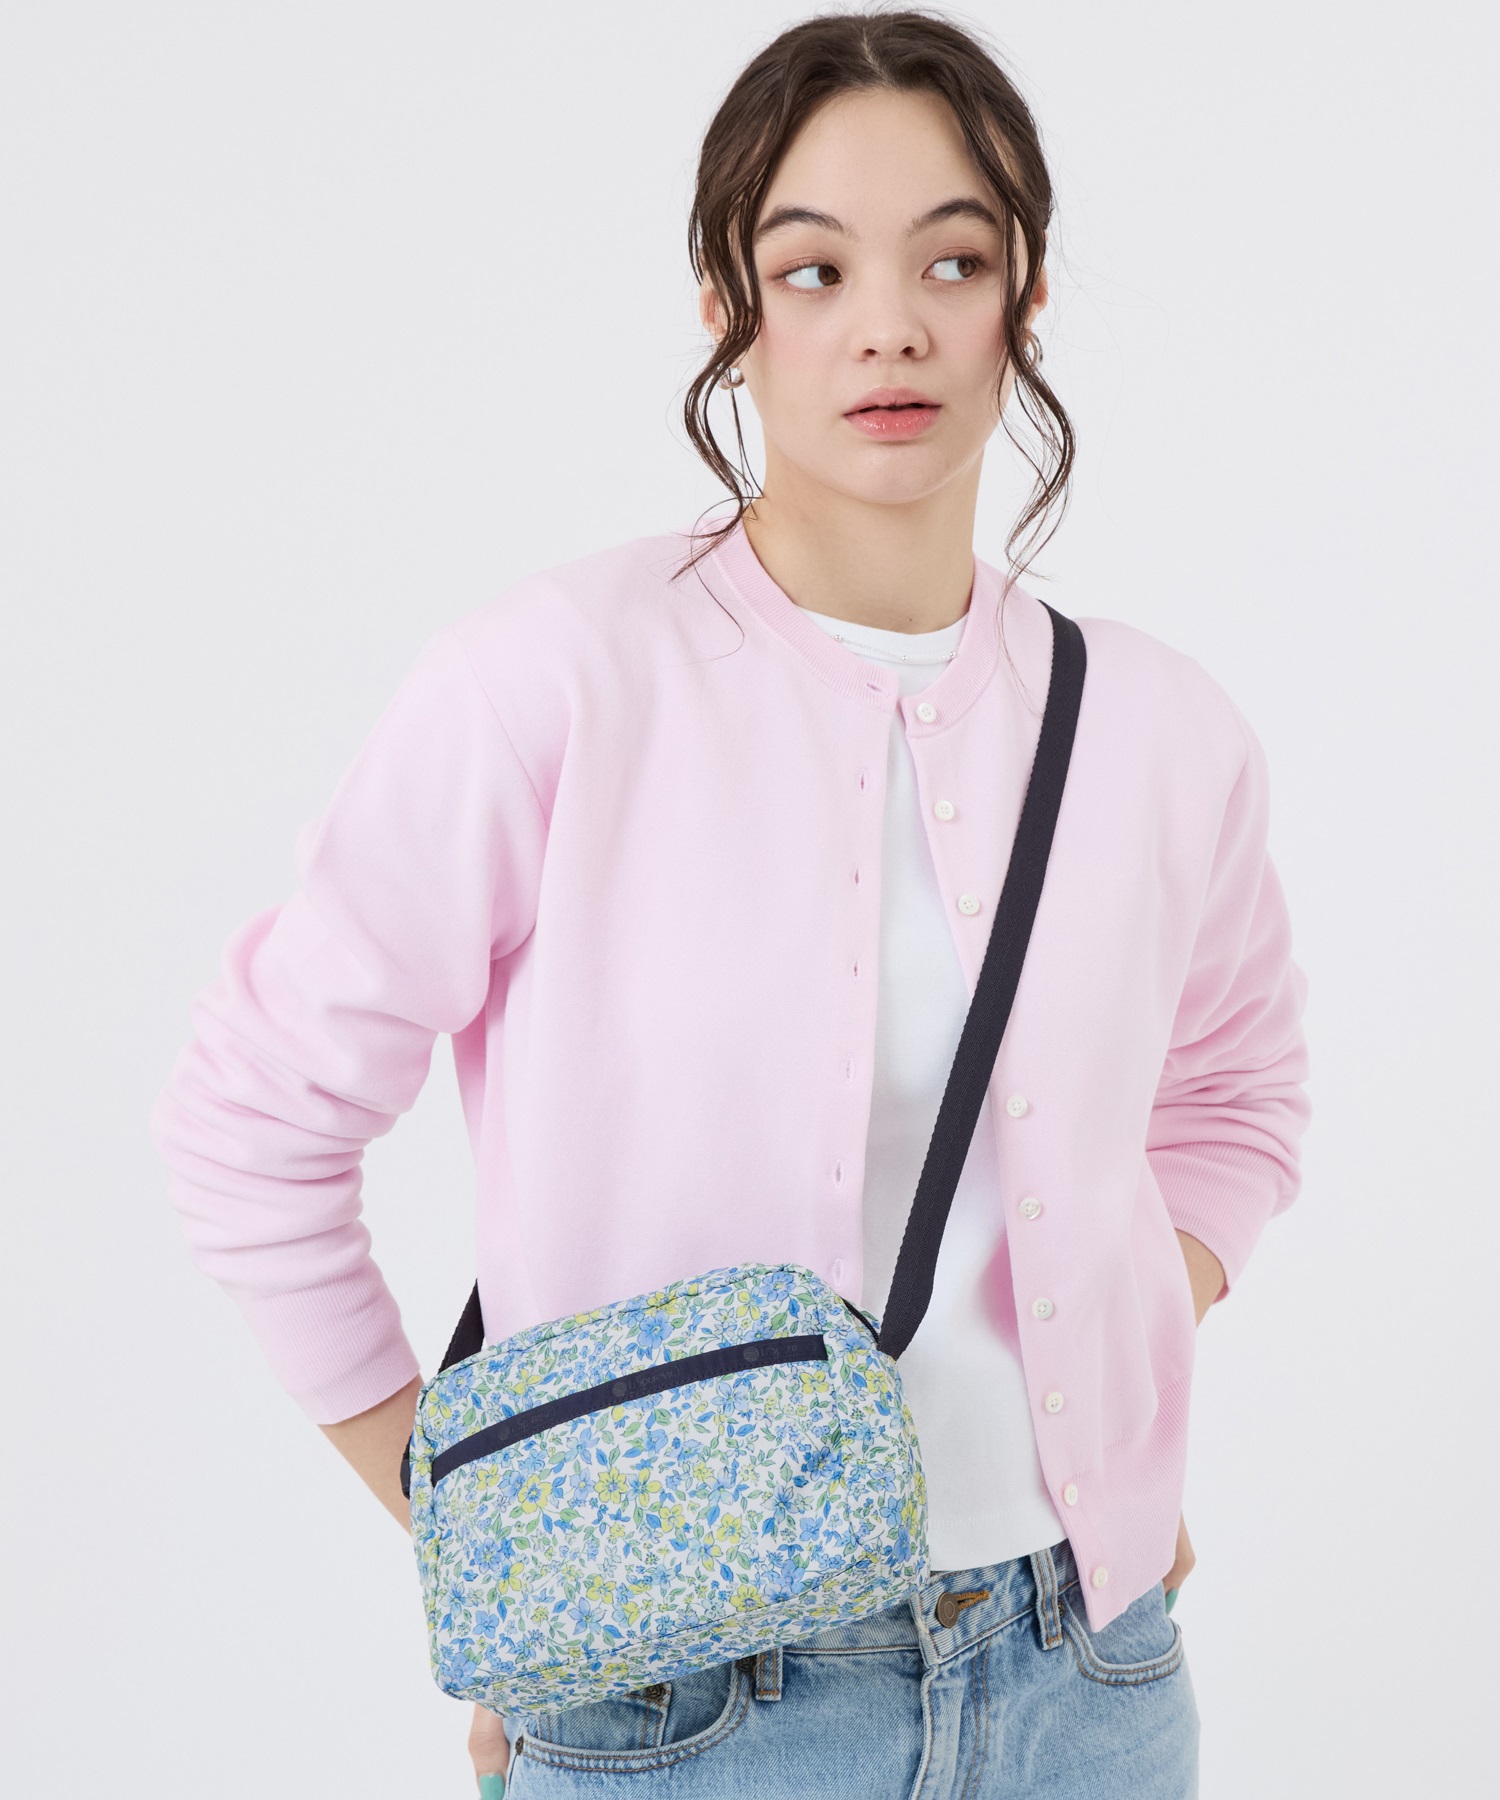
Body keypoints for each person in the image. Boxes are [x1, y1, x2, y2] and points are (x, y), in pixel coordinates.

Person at [151, 11, 1310, 1797]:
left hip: (1087, 1677)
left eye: (954, 260)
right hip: (685, 1713)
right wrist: (513, 1547)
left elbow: (1235, 1100)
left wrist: (1120, 1365)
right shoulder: (551, 683)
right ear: (726, 302)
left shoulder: (1160, 728)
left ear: (1027, 294)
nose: (889, 324)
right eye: (814, 268)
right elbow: (252, 1127)